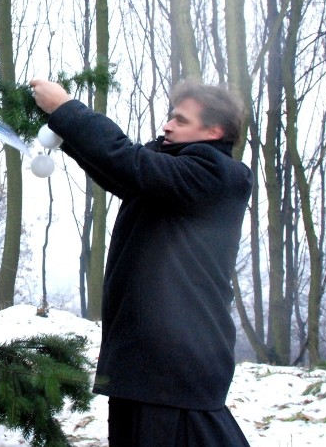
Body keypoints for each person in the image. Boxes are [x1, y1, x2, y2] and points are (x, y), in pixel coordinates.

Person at [29, 78, 252, 446]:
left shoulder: (216, 176)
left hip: (175, 365)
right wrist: (65, 131)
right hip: (148, 363)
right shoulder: (170, 178)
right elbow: (121, 169)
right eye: (170, 117)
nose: (167, 125)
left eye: (181, 120)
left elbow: (130, 163)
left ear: (214, 131)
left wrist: (67, 109)